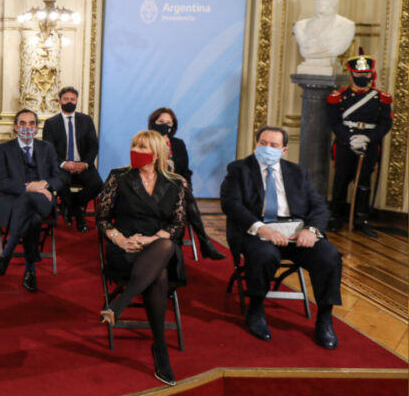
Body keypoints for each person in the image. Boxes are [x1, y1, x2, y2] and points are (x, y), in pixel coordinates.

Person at [220, 126, 342, 350]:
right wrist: (261, 229)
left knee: (329, 256)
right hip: (258, 232)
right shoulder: (239, 169)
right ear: (256, 144)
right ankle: (256, 309)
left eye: (273, 145)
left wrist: (311, 231)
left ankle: (325, 317)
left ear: (284, 150)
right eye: (262, 143)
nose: (267, 148)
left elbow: (319, 207)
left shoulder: (298, 173)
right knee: (263, 255)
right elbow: (231, 204)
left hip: (295, 233)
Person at [96, 130, 187, 386]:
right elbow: (102, 220)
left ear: (157, 152)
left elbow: (178, 224)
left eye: (143, 146)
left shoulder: (175, 183)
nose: (136, 149)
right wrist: (121, 239)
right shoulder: (119, 177)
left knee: (166, 245)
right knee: (158, 275)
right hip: (124, 247)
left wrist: (149, 240)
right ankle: (160, 349)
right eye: (134, 145)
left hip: (158, 245)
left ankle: (118, 304)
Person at [0, 109, 63, 293]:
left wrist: (43, 184)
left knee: (30, 202)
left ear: (37, 127)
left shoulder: (47, 148)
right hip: (16, 202)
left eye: (31, 124)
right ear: (15, 127)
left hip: (42, 201)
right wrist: (29, 188)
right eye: (22, 124)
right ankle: (30, 271)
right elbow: (2, 182)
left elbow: (59, 178)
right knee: (34, 220)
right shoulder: (3, 149)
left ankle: (6, 253)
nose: (27, 128)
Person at [326, 49, 392, 235]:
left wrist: (368, 138)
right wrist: (349, 139)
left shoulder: (382, 98)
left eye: (366, 74)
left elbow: (386, 123)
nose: (363, 77)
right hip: (346, 143)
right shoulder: (338, 97)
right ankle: (335, 217)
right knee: (341, 179)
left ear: (371, 74)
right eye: (359, 74)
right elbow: (334, 122)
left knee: (363, 181)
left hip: (369, 143)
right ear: (351, 74)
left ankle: (361, 219)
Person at [148, 108, 224, 260]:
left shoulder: (178, 144)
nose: (164, 125)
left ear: (173, 126)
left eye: (168, 123)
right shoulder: (146, 142)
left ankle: (180, 246)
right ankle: (204, 242)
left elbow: (185, 170)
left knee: (185, 194)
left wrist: (186, 183)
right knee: (185, 198)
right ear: (153, 123)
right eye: (161, 122)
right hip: (154, 185)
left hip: (177, 189)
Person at [42, 86, 101, 232]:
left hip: (83, 165)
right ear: (60, 101)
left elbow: (93, 145)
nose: (69, 101)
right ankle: (79, 212)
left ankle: (70, 205)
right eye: (66, 99)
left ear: (76, 101)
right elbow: (49, 149)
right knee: (61, 183)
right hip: (61, 166)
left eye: (72, 99)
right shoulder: (51, 123)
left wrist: (85, 164)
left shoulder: (86, 120)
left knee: (98, 184)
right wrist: (63, 163)